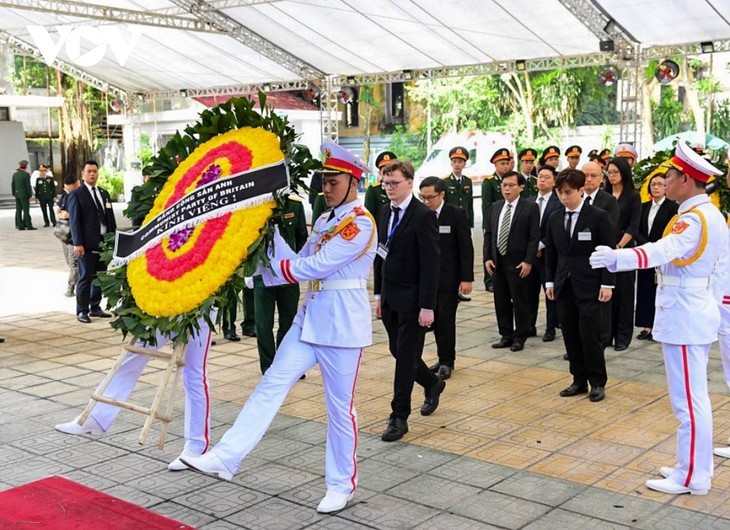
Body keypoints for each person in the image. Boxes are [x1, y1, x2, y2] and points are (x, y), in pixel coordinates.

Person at [183, 142, 376, 515]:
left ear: (354, 182)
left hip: (341, 327)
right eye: (324, 181)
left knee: (339, 409)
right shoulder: (325, 220)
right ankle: (226, 457)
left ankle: (341, 485)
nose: (327, 188)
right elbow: (298, 259)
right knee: (270, 383)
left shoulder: (361, 223)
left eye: (334, 182)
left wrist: (276, 265)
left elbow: (312, 268)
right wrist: (262, 233)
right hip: (310, 319)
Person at [590, 141, 727, 495]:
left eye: (670, 176)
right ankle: (692, 466)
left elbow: (664, 250)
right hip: (689, 310)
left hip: (685, 313)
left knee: (688, 402)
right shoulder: (704, 214)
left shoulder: (695, 219)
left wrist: (618, 258)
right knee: (691, 399)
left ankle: (693, 476)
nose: (664, 181)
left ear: (686, 179)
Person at [54, 321, 216, 472]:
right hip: (166, 302)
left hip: (200, 311)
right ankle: (95, 418)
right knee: (135, 352)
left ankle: (196, 445)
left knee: (194, 373)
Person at [374, 160, 443, 443]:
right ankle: (432, 382)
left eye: (394, 183)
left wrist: (428, 306)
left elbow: (431, 264)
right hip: (390, 298)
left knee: (404, 361)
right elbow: (380, 256)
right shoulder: (382, 212)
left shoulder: (422, 216)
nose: (389, 188)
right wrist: (378, 295)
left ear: (409, 183)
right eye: (385, 183)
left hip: (415, 302)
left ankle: (398, 417)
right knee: (399, 352)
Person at [545, 169, 616, 403]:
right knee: (571, 336)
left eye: (568, 192)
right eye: (560, 192)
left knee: (591, 336)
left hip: (591, 286)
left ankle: (597, 382)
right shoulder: (555, 217)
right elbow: (552, 254)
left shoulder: (597, 216)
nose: (564, 197)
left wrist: (607, 283)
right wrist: (550, 281)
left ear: (580, 190)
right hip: (564, 286)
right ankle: (578, 379)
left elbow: (608, 252)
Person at [419, 177, 473, 380]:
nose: (426, 202)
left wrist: (466, 278)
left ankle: (446, 361)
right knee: (429, 322)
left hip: (448, 279)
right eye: (422, 197)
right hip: (425, 280)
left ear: (442, 194)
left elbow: (466, 248)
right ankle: (439, 357)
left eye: (430, 198)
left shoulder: (455, 214)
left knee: (445, 321)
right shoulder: (420, 214)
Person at [484, 171, 540, 352]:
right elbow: (489, 234)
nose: (506, 189)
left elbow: (534, 237)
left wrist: (528, 261)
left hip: (518, 263)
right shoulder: (495, 207)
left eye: (511, 185)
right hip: (498, 262)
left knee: (520, 300)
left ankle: (520, 336)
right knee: (500, 300)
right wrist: (487, 258)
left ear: (521, 187)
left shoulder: (530, 207)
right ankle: (506, 334)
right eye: (504, 185)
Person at [254, 195, 308, 374]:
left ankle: (285, 364)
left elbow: (302, 237)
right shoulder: (256, 205)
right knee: (263, 325)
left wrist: (297, 263)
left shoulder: (294, 205)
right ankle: (268, 366)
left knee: (289, 323)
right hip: (264, 277)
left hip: (288, 277)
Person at [67, 160, 117, 323]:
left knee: (100, 276)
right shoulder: (77, 194)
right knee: (85, 278)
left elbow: (110, 217)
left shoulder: (103, 193)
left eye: (95, 171)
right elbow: (74, 221)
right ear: (83, 174)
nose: (92, 174)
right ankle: (82, 310)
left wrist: (113, 238)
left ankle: (95, 307)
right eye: (89, 171)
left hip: (103, 242)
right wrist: (77, 243)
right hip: (86, 244)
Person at [634, 173, 678, 341]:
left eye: (660, 184)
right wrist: (646, 245)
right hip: (646, 253)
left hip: (663, 254)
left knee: (661, 291)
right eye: (653, 184)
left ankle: (660, 326)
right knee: (644, 289)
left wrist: (658, 247)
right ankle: (647, 326)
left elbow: (672, 232)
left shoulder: (673, 208)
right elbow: (636, 229)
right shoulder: (643, 206)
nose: (656, 187)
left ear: (667, 187)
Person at [604, 157, 641, 351]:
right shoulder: (604, 195)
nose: (611, 176)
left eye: (615, 172)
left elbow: (633, 226)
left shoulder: (633, 196)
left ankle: (623, 336)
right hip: (606, 250)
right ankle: (607, 334)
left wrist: (619, 246)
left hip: (624, 249)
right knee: (608, 291)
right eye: (609, 172)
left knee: (625, 293)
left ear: (624, 173)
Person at [582, 161, 619, 349]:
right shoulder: (574, 197)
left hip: (600, 260)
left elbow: (608, 233)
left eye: (593, 176)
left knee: (601, 307)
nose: (588, 179)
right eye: (585, 175)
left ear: (601, 178)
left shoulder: (608, 201)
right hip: (579, 262)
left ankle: (602, 342)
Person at [528, 165, 561, 342]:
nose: (542, 180)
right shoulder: (529, 201)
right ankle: (529, 326)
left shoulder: (557, 203)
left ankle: (550, 328)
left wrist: (540, 246)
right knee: (529, 293)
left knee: (549, 292)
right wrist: (531, 249)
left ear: (554, 181)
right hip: (531, 257)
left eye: (547, 177)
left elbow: (556, 230)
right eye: (540, 176)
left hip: (549, 254)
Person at [482, 148, 511, 292]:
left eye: (507, 163)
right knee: (490, 249)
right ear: (495, 164)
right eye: (502, 163)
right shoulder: (489, 182)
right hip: (493, 222)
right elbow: (486, 205)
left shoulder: (512, 181)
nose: (505, 166)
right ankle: (489, 279)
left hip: (507, 221)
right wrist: (488, 224)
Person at [56, 174, 81, 297]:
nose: (67, 191)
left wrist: (70, 215)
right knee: (69, 262)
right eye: (66, 189)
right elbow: (59, 209)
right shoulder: (67, 194)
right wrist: (60, 212)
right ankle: (79, 279)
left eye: (69, 189)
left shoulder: (81, 195)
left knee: (73, 263)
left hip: (74, 236)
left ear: (77, 184)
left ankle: (70, 287)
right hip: (64, 233)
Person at [443, 146, 474, 228]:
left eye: (460, 162)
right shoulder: (445, 182)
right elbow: (443, 203)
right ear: (451, 164)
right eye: (454, 161)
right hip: (451, 220)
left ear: (464, 164)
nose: (457, 164)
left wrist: (471, 223)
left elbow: (470, 203)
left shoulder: (468, 181)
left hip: (464, 219)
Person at [364, 151, 395, 219]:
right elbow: (369, 217)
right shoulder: (373, 190)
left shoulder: (401, 187)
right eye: (385, 171)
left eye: (391, 169)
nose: (388, 173)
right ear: (380, 173)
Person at [12, 160, 36, 230]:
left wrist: (14, 193)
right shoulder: (26, 174)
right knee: (26, 210)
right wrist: (30, 195)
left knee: (18, 210)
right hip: (24, 195)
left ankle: (19, 225)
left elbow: (13, 185)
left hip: (17, 194)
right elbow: (28, 186)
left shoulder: (15, 174)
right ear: (26, 166)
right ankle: (28, 225)